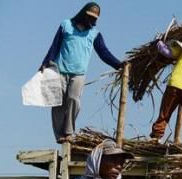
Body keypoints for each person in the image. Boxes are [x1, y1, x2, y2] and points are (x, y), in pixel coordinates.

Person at [40, 3, 123, 144]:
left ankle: (69, 131)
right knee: (58, 103)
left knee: (73, 99)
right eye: (90, 17)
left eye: (94, 18)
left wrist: (119, 64)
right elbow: (55, 46)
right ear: (83, 13)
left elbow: (104, 53)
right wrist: (45, 62)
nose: (92, 21)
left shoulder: (94, 33)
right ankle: (59, 134)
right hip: (59, 70)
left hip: (79, 73)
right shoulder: (66, 25)